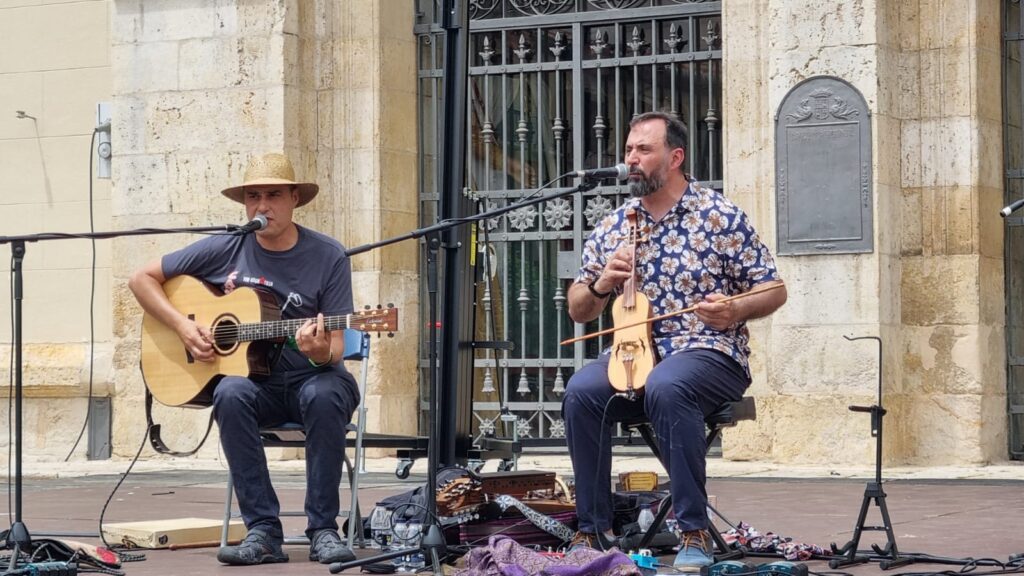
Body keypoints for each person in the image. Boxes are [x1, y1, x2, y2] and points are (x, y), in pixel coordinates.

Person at [563, 111, 787, 571]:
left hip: (710, 351)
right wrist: (603, 282)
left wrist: (734, 309)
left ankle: (693, 528)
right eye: (628, 150)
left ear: (675, 156)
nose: (631, 159)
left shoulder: (718, 215)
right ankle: (592, 528)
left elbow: (773, 288)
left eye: (643, 150)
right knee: (581, 393)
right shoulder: (613, 226)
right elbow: (578, 307)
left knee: (668, 385)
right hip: (630, 354)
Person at [129, 153, 360, 566]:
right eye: (253, 196)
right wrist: (183, 326)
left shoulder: (329, 255)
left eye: (273, 195)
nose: (262, 206)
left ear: (294, 199)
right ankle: (264, 531)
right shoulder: (225, 247)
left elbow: (338, 346)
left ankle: (323, 529)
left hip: (313, 377)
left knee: (326, 394)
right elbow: (141, 279)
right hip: (259, 385)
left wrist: (319, 350)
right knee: (231, 392)